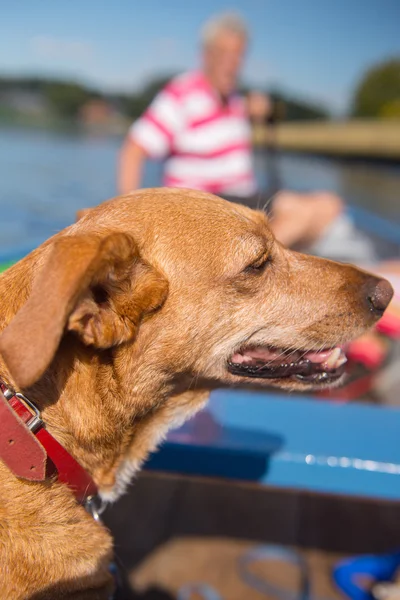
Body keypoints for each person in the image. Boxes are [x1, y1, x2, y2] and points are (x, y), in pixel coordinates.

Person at [117, 12, 375, 261]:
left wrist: (261, 110)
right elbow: (133, 149)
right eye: (224, 54)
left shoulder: (237, 101)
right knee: (298, 212)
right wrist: (136, 223)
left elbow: (251, 112)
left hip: (244, 202)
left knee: (330, 204)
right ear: (206, 55)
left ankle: (259, 263)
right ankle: (244, 267)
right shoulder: (181, 95)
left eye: (238, 55)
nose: (232, 63)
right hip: (207, 205)